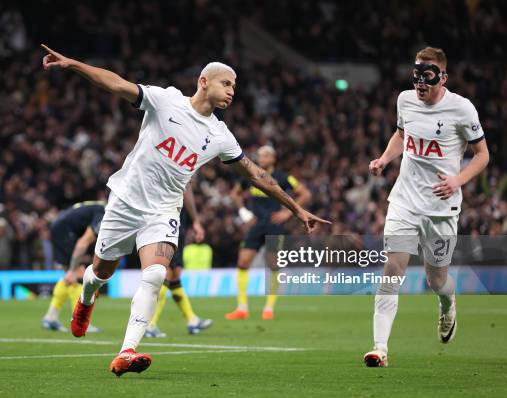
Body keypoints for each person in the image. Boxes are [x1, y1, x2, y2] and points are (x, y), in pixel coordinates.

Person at [41, 44, 330, 377]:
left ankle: (127, 351)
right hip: (124, 202)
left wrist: (296, 209)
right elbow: (117, 84)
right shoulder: (166, 101)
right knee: (100, 271)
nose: (232, 92)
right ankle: (86, 299)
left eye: (235, 86)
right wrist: (74, 64)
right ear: (204, 81)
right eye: (227, 84)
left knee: (155, 273)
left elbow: (256, 174)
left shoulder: (220, 135)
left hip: (163, 211)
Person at [364, 47, 489, 367]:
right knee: (392, 271)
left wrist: (458, 180)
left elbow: (482, 155)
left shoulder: (462, 109)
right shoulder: (404, 100)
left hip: (440, 207)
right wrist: (384, 159)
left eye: (427, 77)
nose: (420, 83)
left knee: (437, 281)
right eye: (416, 76)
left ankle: (448, 304)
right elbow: (400, 134)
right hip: (404, 201)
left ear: (443, 78)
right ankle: (380, 348)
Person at [225, 146, 311, 320]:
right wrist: (244, 212)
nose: (261, 158)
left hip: (274, 225)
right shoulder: (250, 174)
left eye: (265, 155)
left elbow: (305, 193)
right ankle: (242, 308)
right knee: (243, 262)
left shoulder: (283, 177)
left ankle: (269, 308)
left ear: (273, 158)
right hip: (256, 225)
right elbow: (235, 194)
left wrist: (287, 212)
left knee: (273, 265)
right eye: (260, 155)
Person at [144, 183, 212, 338]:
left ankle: (192, 319)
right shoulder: (181, 167)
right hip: (171, 223)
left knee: (174, 274)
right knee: (167, 273)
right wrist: (196, 220)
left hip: (161, 221)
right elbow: (186, 190)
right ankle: (149, 324)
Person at [41, 201, 105, 333]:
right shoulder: (104, 213)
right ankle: (80, 322)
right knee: (79, 275)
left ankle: (50, 317)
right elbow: (83, 242)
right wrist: (73, 268)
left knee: (70, 277)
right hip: (65, 232)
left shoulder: (97, 206)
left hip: (59, 227)